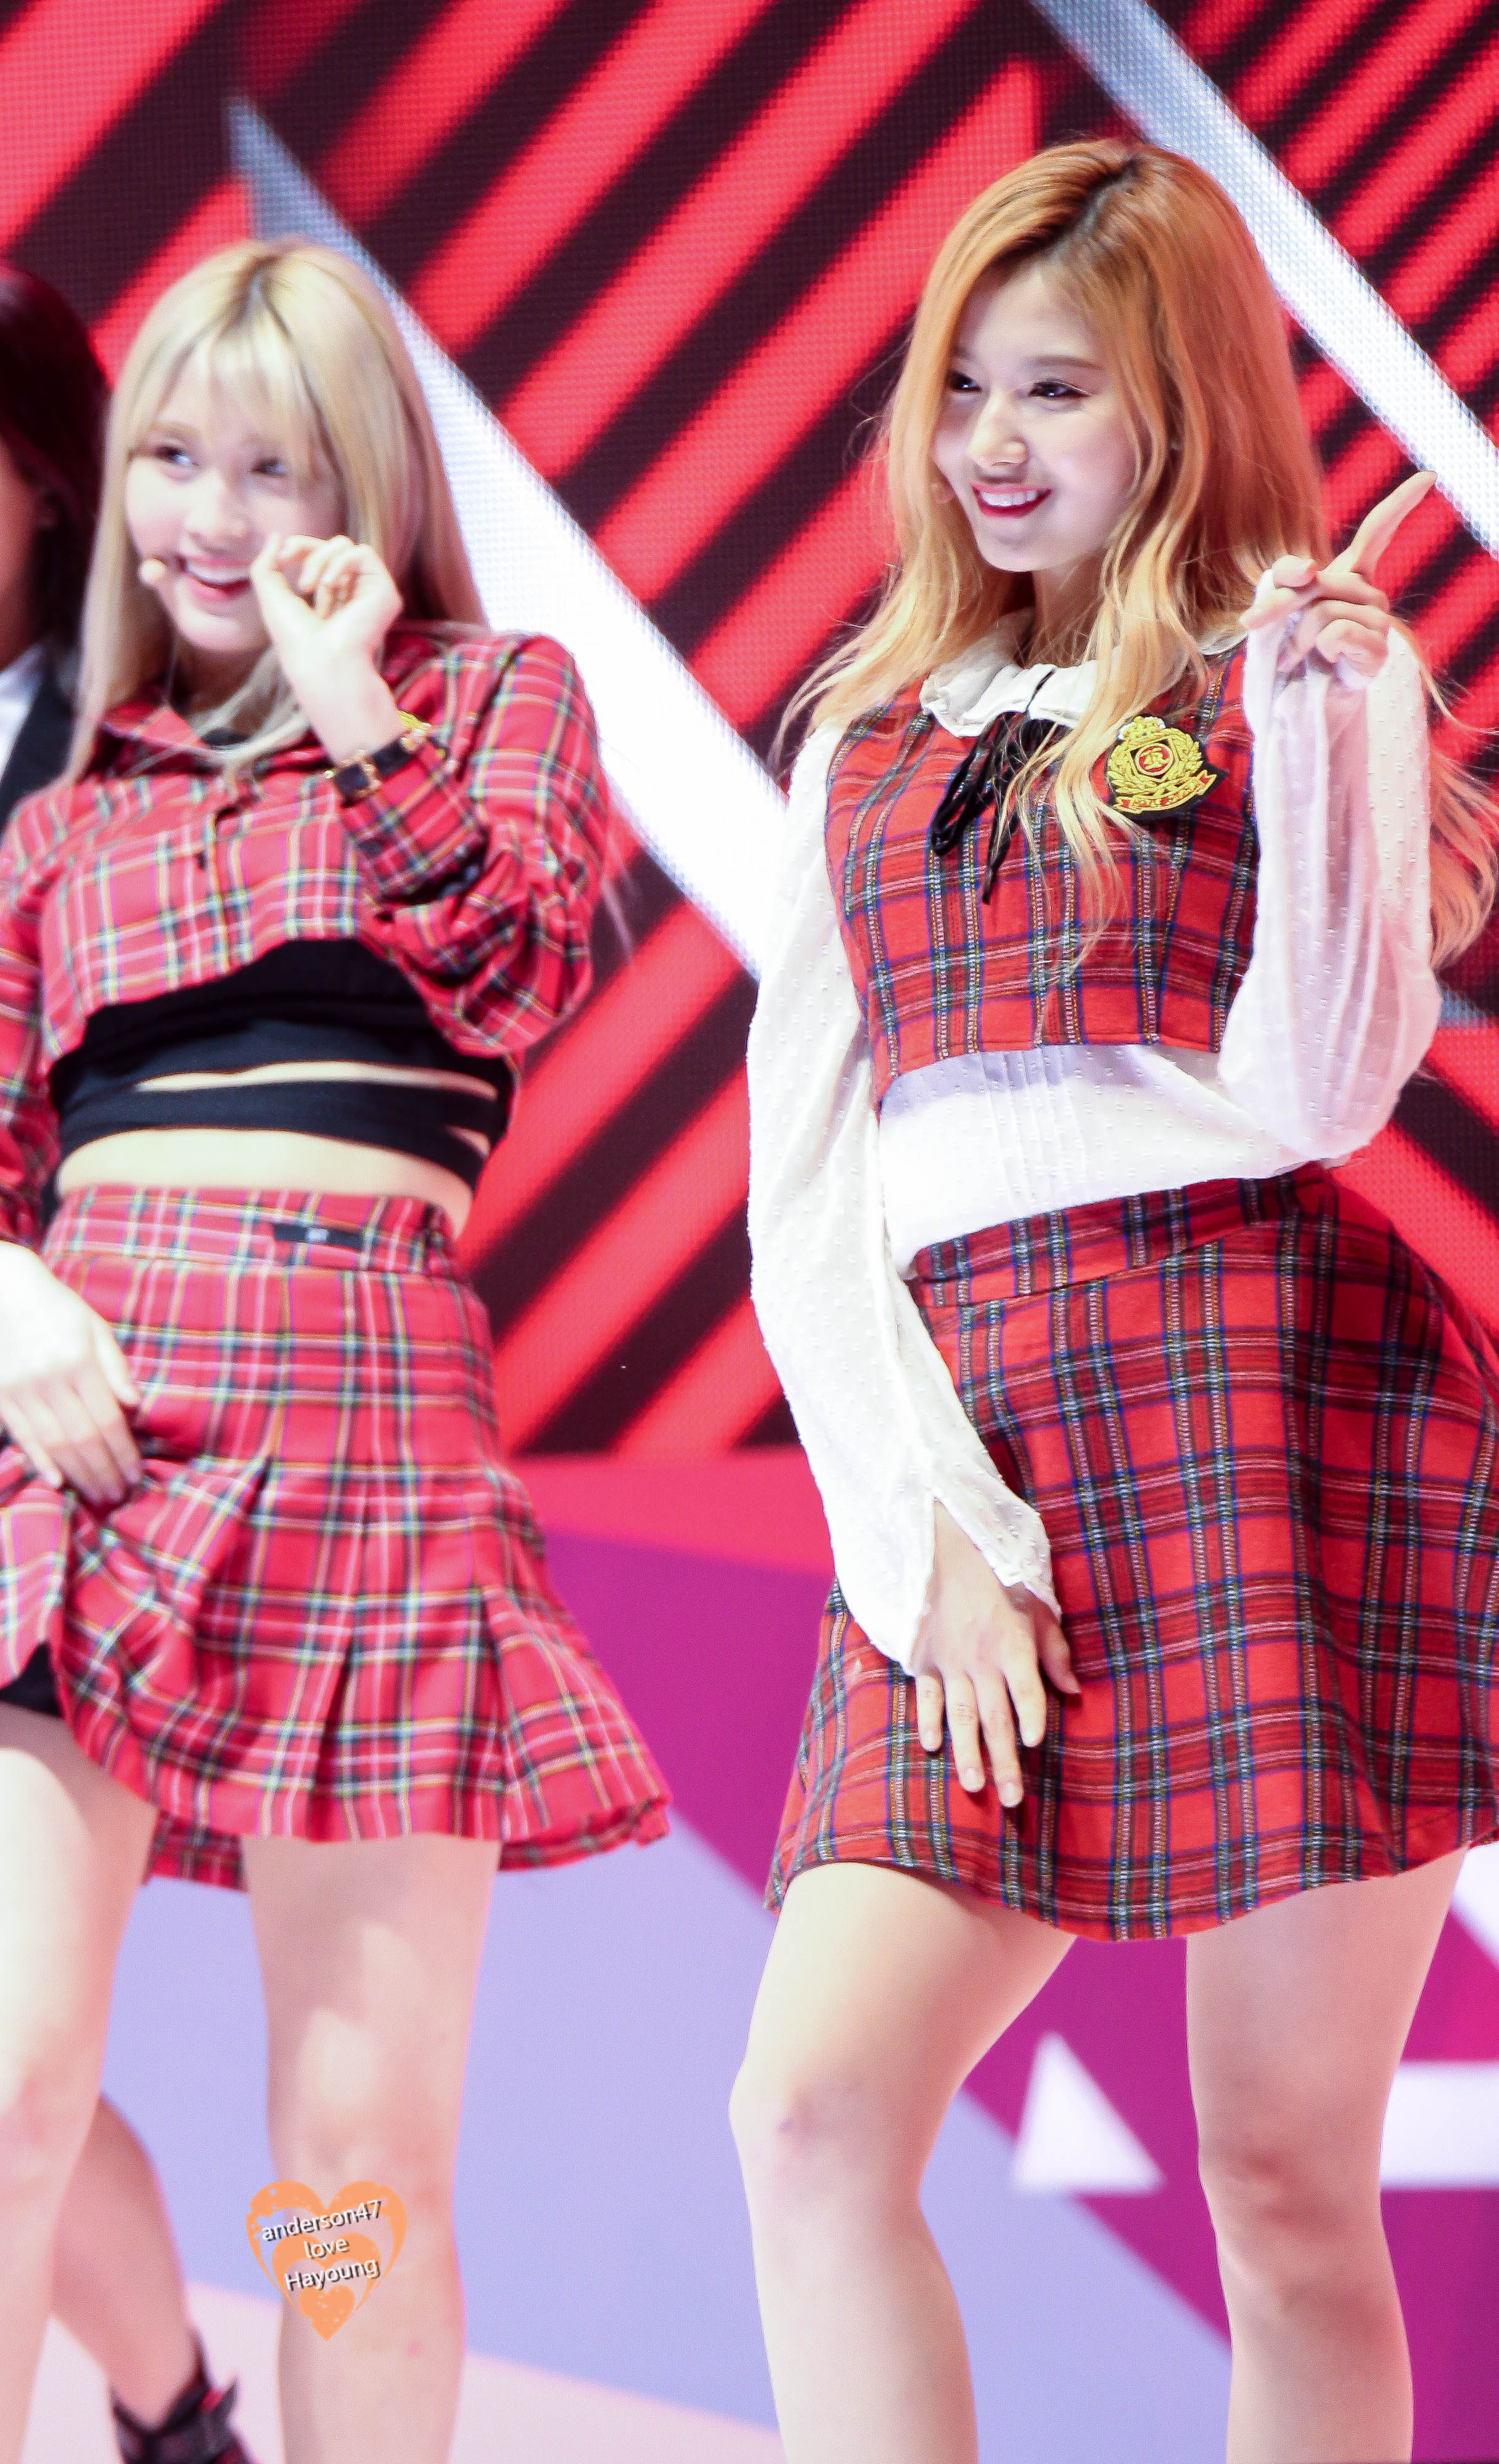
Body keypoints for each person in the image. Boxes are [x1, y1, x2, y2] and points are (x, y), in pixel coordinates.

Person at [733, 141, 1499, 2464]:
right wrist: (929, 1541)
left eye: (1056, 387)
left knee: (1281, 2182)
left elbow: (1319, 1089)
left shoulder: (1291, 675)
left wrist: (1332, 725)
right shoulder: (868, 729)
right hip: (968, 1446)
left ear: (1181, 398)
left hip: (1266, 1403)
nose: (991, 439)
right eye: (963, 382)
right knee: (811, 2112)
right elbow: (806, 1195)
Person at [0, 238, 668, 2464]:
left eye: (268, 464)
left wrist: (353, 698)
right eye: (169, 458)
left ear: (364, 491)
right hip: (81, 1442)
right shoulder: (67, 810)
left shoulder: (492, 703)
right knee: (5, 2087)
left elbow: (516, 964)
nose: (205, 514)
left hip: (369, 1446)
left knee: (352, 2177)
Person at [0, 260, 257, 2464]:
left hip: (70, 1442)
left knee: (12, 2060)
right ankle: (181, 2422)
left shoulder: (158, 738)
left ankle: (178, 2418)